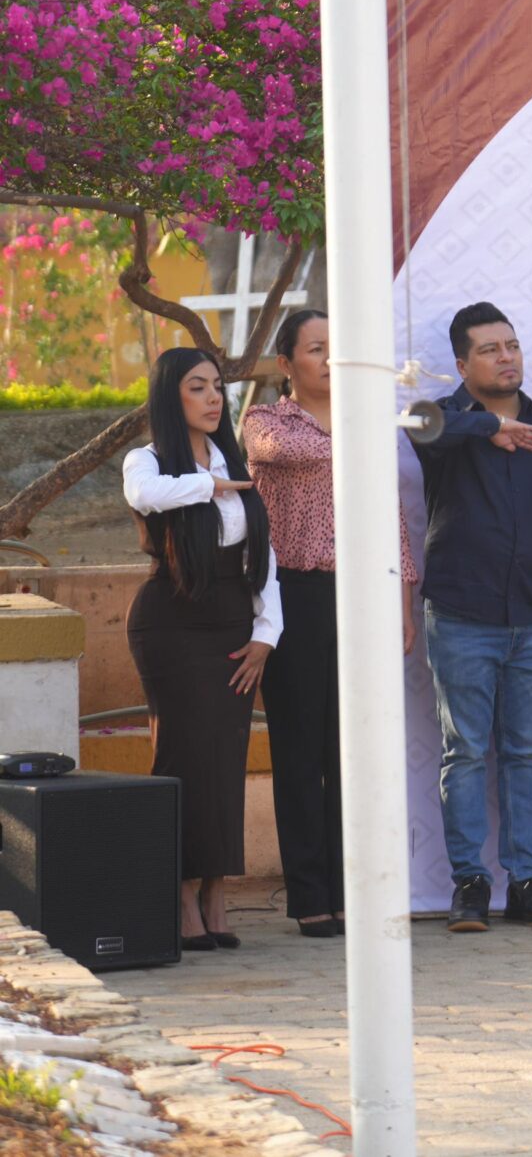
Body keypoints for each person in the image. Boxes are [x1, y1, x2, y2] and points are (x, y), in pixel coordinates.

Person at [242, 310, 419, 939]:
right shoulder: (268, 422)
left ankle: (353, 892)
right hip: (294, 596)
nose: (329, 360)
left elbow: (393, 521)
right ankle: (310, 897)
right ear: (287, 363)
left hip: (364, 595)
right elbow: (285, 452)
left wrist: (401, 604)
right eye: (316, 350)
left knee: (354, 752)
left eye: (337, 349)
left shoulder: (369, 423)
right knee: (299, 750)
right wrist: (365, 427)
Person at [411, 302, 532, 933]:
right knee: (465, 753)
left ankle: (527, 882)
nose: (506, 356)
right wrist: (486, 428)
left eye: (511, 345)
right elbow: (414, 424)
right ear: (462, 363)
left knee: (523, 754)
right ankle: (470, 884)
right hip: (461, 615)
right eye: (489, 349)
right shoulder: (444, 421)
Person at [122, 347, 282, 950]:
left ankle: (217, 889)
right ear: (171, 396)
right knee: (184, 755)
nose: (214, 398)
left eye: (218, 386)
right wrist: (208, 484)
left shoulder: (231, 458)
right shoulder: (149, 461)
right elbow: (145, 497)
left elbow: (260, 560)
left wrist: (266, 634)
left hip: (233, 626)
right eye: (198, 387)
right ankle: (182, 893)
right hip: (170, 623)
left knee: (225, 758)